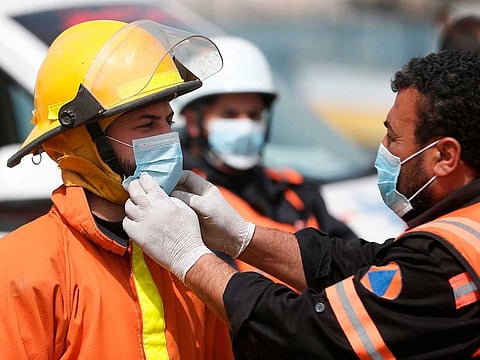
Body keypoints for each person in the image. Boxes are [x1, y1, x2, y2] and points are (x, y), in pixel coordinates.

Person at [123, 49, 480, 359]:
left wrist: (190, 258)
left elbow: (306, 335)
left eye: (394, 137)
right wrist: (242, 237)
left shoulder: (441, 262)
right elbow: (362, 263)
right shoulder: (464, 231)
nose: (384, 148)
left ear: (445, 156)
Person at [0, 19, 234, 359]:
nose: (167, 140)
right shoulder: (22, 266)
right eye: (146, 123)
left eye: (167, 121)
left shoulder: (189, 256)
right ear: (80, 140)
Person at [172, 35, 356, 262]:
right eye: (229, 115)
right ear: (193, 122)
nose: (245, 126)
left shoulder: (295, 193)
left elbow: (353, 262)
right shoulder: (181, 199)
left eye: (254, 115)